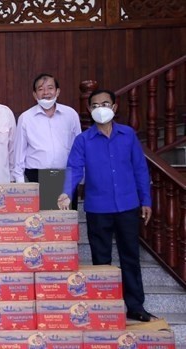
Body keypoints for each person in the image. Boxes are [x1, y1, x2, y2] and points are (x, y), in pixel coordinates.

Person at [58, 89, 155, 322]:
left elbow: (140, 169)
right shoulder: (82, 140)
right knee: (101, 261)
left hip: (128, 206)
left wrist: (146, 200)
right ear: (90, 110)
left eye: (105, 103)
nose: (100, 108)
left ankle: (135, 306)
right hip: (97, 209)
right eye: (95, 105)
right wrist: (64, 193)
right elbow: (74, 169)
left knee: (130, 257)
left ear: (114, 107)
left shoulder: (128, 135)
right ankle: (105, 306)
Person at [13, 73, 82, 209]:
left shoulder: (70, 114)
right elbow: (19, 152)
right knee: (42, 224)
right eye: (40, 89)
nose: (46, 93)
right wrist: (20, 182)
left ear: (57, 91)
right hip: (37, 176)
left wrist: (80, 177)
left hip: (66, 177)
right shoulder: (26, 118)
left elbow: (78, 148)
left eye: (50, 88)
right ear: (34, 94)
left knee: (66, 223)